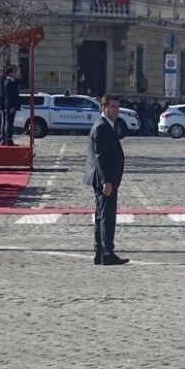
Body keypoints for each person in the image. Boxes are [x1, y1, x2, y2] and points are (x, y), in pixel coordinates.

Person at [84, 94, 128, 266]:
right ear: (104, 108)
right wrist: (106, 181)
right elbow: (100, 156)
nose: (116, 110)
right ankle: (107, 252)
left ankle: (100, 253)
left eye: (118, 107)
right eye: (113, 107)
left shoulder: (108, 125)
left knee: (101, 216)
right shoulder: (102, 127)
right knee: (107, 217)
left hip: (106, 178)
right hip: (105, 180)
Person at [0, 65, 20, 146]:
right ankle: (8, 140)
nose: (16, 73)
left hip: (9, 106)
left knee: (8, 123)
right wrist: (11, 106)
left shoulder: (11, 82)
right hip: (9, 106)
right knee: (8, 124)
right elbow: (9, 96)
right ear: (10, 73)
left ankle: (6, 140)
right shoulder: (9, 82)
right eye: (15, 72)